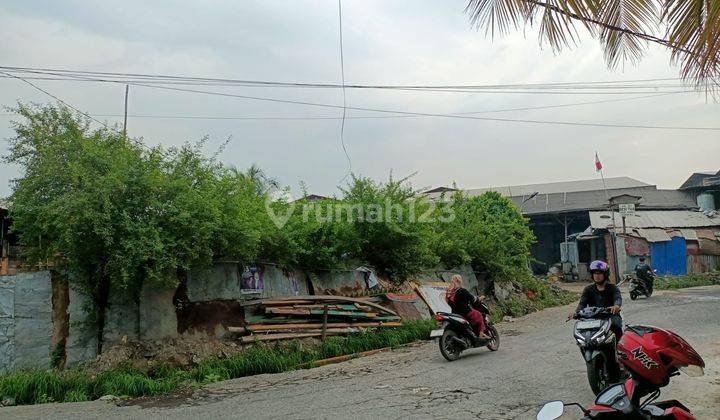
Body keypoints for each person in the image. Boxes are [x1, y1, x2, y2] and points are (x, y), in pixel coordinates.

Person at [568, 260, 623, 339]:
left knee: (617, 326)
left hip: (610, 315)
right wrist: (575, 312)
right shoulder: (588, 289)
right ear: (592, 275)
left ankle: (618, 348)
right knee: (581, 332)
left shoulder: (612, 288)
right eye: (595, 273)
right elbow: (582, 304)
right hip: (593, 317)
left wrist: (616, 306)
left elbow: (617, 298)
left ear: (605, 274)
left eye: (600, 273)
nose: (597, 276)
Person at [445, 275, 490, 339]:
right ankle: (481, 334)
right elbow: (473, 299)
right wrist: (480, 298)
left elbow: (449, 302)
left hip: (455, 314)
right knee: (479, 315)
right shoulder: (462, 291)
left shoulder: (450, 293)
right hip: (465, 312)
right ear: (459, 281)